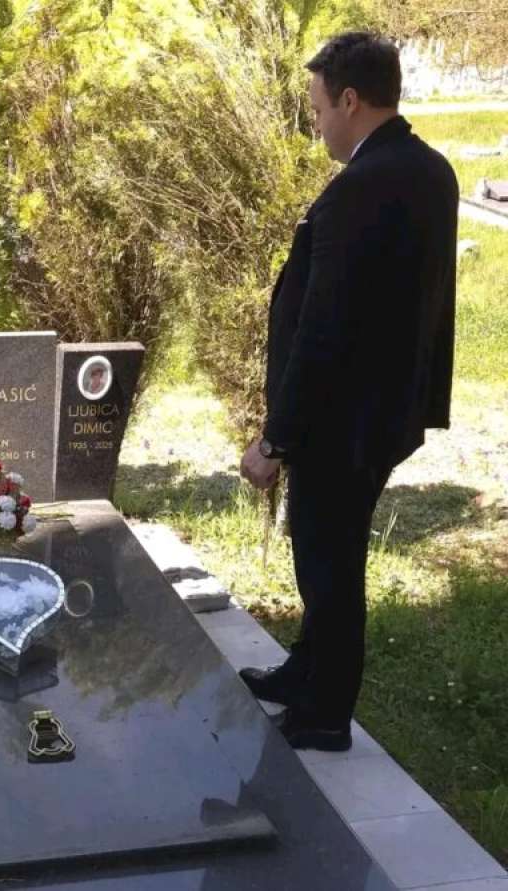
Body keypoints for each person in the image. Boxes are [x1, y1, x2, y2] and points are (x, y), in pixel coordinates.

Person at [238, 33, 457, 752]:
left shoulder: (361, 187)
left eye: (318, 109)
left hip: (339, 420)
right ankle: (306, 672)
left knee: (327, 562)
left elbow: (324, 327)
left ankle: (325, 713)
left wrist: (277, 438)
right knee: (329, 553)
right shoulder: (428, 169)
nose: (317, 124)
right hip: (384, 409)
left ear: (351, 100)